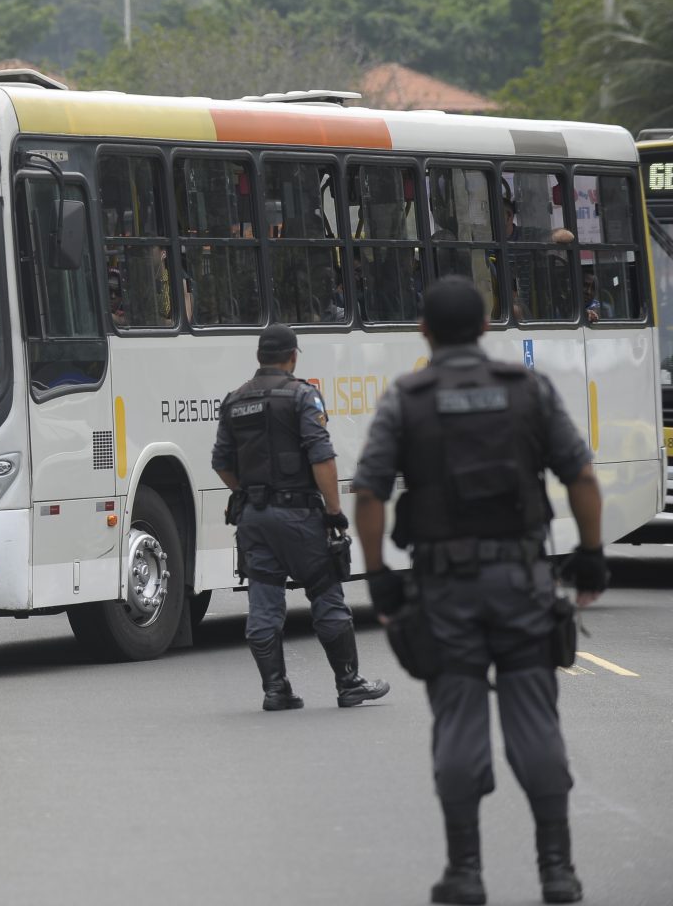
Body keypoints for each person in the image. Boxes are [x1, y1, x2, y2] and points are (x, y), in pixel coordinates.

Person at [351, 276, 608, 905]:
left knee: (459, 720)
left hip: (446, 593)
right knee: (535, 719)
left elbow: (370, 493)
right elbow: (581, 476)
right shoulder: (528, 392)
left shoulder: (406, 400)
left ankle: (465, 872)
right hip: (522, 583)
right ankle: (557, 869)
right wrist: (593, 558)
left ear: (424, 332)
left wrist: (380, 577)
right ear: (488, 328)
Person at [212, 323, 390, 711]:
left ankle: (276, 689)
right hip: (298, 516)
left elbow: (220, 462)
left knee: (263, 598)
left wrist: (248, 491)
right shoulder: (302, 397)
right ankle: (349, 683)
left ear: (259, 357)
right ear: (292, 357)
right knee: (325, 591)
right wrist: (334, 511)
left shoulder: (234, 401)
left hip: (253, 518)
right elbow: (321, 456)